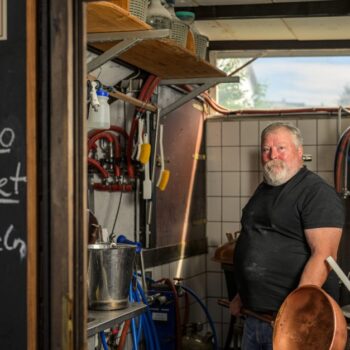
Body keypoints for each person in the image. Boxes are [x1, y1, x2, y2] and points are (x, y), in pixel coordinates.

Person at [230, 122, 344, 350]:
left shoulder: (316, 193)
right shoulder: (264, 190)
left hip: (295, 326)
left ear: (299, 152)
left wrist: (293, 316)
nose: (273, 155)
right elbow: (255, 240)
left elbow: (324, 256)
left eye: (281, 148)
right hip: (256, 319)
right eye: (266, 149)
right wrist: (242, 295)